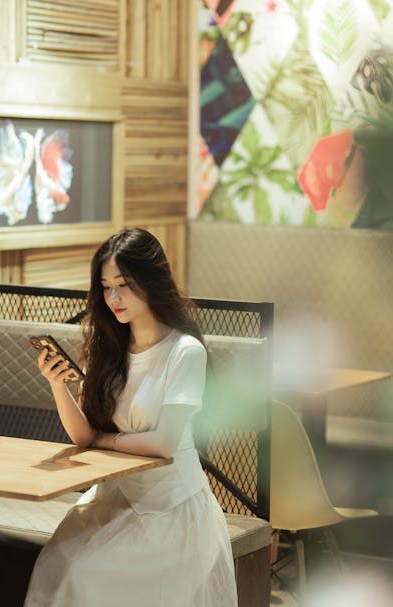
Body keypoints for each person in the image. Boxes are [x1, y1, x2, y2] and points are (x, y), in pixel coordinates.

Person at [24, 227, 238, 607]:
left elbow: (163, 444)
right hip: (113, 497)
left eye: (122, 285)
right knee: (53, 567)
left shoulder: (185, 352)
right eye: (106, 288)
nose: (113, 298)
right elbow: (83, 436)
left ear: (151, 281)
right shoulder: (107, 349)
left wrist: (104, 441)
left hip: (170, 509)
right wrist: (58, 386)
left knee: (83, 576)